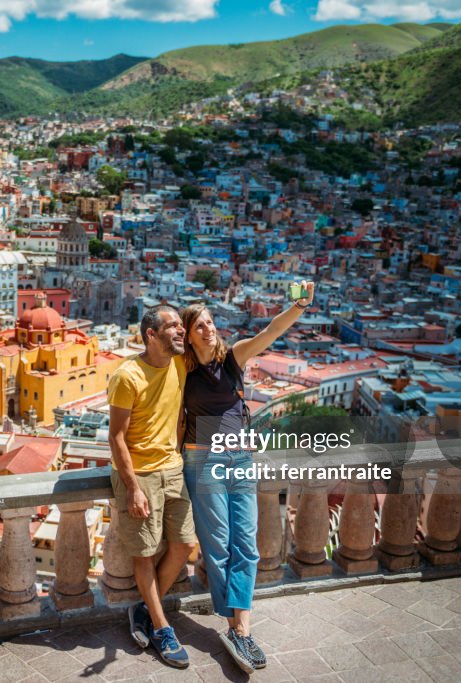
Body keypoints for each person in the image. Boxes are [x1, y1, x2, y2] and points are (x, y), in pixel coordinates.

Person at [179, 280, 315, 673]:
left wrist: (299, 308)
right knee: (218, 544)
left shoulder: (234, 358)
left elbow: (270, 332)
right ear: (188, 335)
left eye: (209, 322)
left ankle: (242, 629)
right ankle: (237, 627)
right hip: (202, 461)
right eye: (199, 325)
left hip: (240, 459)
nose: (209, 329)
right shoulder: (182, 371)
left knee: (247, 545)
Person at [107, 304, 197, 669]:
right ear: (151, 334)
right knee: (143, 554)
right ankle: (162, 628)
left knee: (185, 543)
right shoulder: (127, 376)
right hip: (139, 474)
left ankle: (144, 609)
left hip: (173, 469)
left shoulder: (178, 364)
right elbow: (116, 437)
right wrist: (133, 487)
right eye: (173, 326)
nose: (180, 331)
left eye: (181, 325)